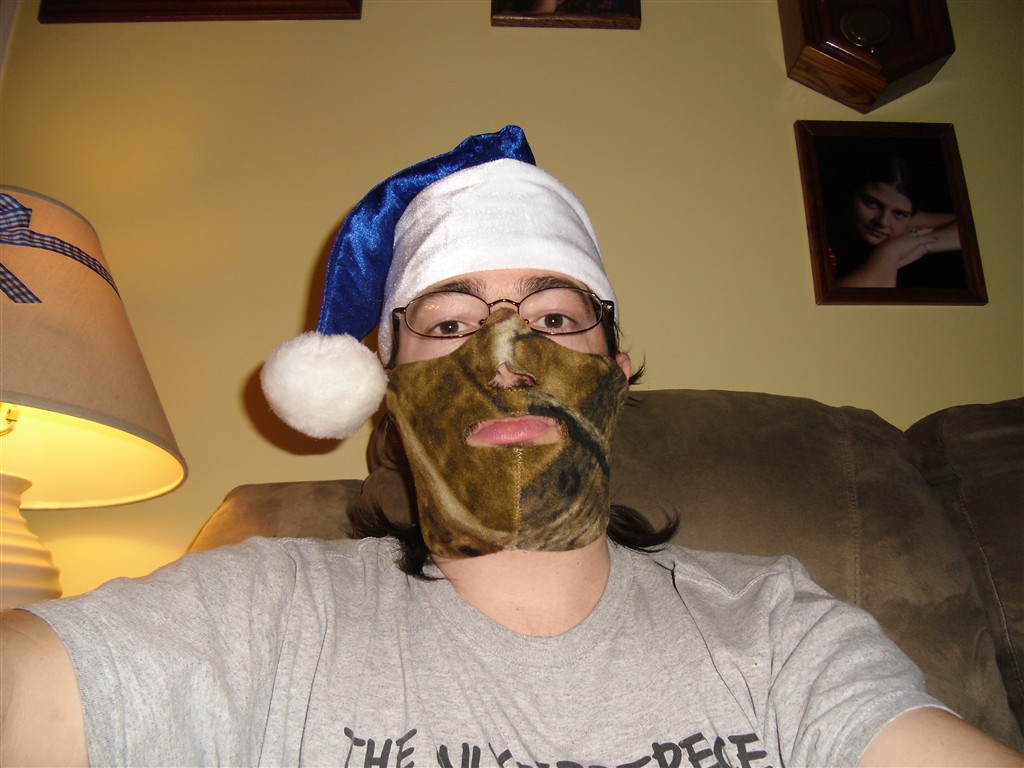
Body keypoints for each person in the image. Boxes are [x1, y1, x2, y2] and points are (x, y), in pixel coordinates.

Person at [1, 126, 1020, 768]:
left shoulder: (777, 626)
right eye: (448, 325)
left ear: (618, 369)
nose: (505, 362)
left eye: (555, 318)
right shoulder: (265, 611)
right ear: (387, 387)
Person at [827, 154, 964, 289]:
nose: (882, 222)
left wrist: (921, 246)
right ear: (851, 193)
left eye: (899, 214)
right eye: (871, 203)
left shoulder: (900, 224)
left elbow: (972, 227)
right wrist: (889, 253)